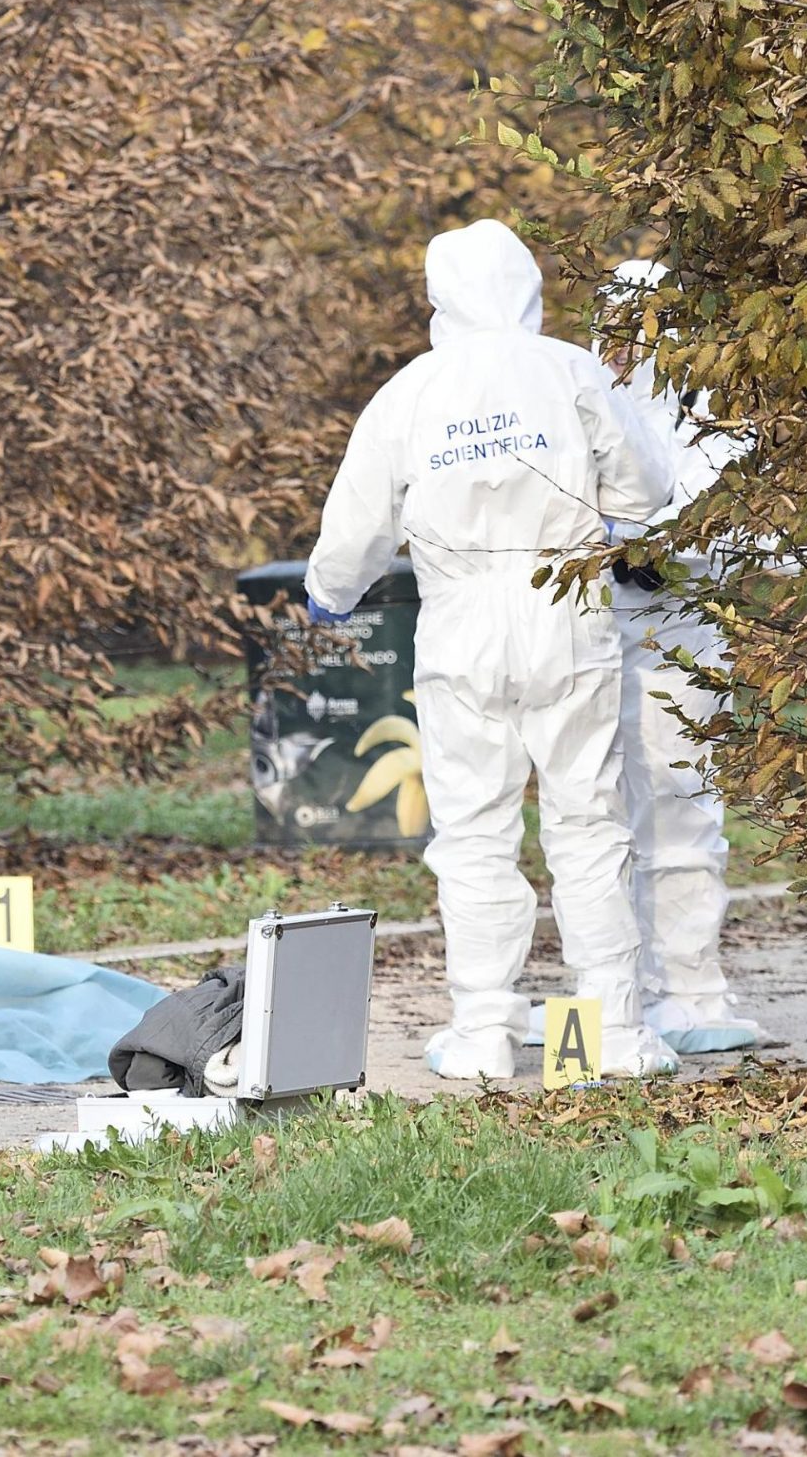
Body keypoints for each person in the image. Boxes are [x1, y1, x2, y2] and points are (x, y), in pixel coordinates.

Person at [305, 220, 678, 1081]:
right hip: (568, 607)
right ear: (527, 285)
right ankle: (609, 1031)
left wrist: (331, 593)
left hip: (460, 619)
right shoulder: (571, 368)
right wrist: (604, 520)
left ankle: (481, 1031)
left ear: (441, 300)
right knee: (588, 822)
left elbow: (357, 522)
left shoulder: (412, 390)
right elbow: (646, 485)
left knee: (473, 829)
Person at [595, 261, 763, 1054]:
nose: (628, 346)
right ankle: (619, 992)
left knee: (682, 810)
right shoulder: (584, 396)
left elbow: (723, 505)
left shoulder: (709, 409)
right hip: (591, 634)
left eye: (643, 326)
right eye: (618, 326)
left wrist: (652, 540)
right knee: (595, 824)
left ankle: (692, 989)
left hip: (678, 633)